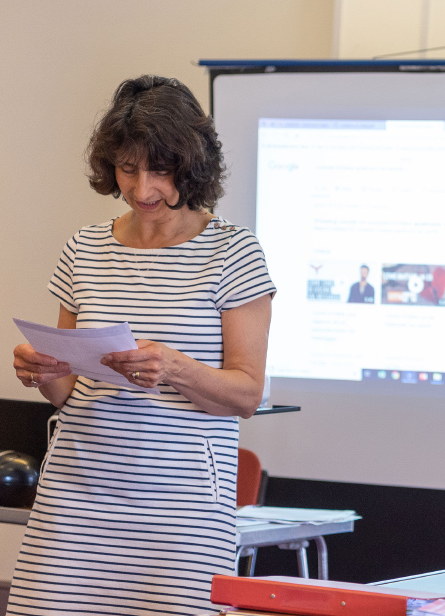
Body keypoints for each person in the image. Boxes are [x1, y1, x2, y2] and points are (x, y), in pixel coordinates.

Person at [9, 75, 276, 616]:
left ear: (191, 165)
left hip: (182, 511)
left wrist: (174, 367)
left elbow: (246, 395)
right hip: (76, 496)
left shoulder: (234, 251)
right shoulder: (84, 247)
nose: (141, 187)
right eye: (127, 168)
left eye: (159, 169)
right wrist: (41, 369)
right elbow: (67, 392)